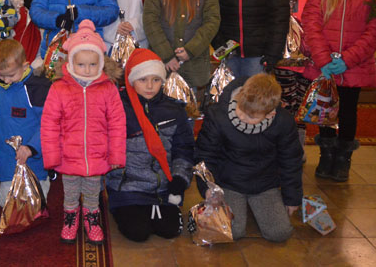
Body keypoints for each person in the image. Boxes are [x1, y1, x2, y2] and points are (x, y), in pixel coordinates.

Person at [302, 0, 376, 182]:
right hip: (325, 64)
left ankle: (343, 159)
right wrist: (322, 58)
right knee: (325, 110)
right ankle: (326, 155)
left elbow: (375, 30)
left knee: (348, 111)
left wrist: (348, 59)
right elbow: (311, 22)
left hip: (355, 64)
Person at [41, 20, 126, 245]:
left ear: (101, 63)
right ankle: (70, 216)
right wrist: (52, 156)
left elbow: (117, 123)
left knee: (92, 191)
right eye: (81, 64)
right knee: (70, 192)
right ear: (71, 62)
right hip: (68, 155)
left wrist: (116, 154)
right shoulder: (59, 88)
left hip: (97, 156)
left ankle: (91, 217)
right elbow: (49, 124)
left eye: (92, 64)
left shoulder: (108, 88)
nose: (87, 70)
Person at [195, 73, 303, 243]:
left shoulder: (284, 122)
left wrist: (292, 198)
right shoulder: (218, 115)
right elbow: (205, 154)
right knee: (232, 231)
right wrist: (208, 187)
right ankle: (243, 209)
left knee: (280, 233)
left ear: (270, 114)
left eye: (251, 116)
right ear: (240, 96)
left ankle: (254, 208)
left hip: (265, 184)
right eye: (241, 109)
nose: (242, 117)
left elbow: (291, 160)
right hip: (229, 183)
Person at [106, 49, 195, 242]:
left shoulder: (174, 110)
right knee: (138, 232)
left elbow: (184, 149)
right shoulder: (117, 107)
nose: (149, 86)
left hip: (163, 187)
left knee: (169, 230)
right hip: (128, 187)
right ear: (131, 81)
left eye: (155, 80)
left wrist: (179, 179)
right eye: (142, 79)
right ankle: (131, 208)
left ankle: (156, 208)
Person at [0, 40, 52, 207]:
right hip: (7, 161)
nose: (6, 80)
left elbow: (48, 124)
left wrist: (32, 147)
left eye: (11, 75)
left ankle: (43, 184)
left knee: (35, 205)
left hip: (33, 160)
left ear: (25, 66)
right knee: (7, 204)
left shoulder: (37, 89)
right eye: (1, 75)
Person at [274, 0, 319, 152]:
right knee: (285, 100)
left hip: (311, 53)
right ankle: (283, 146)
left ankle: (297, 148)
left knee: (303, 102)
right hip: (285, 53)